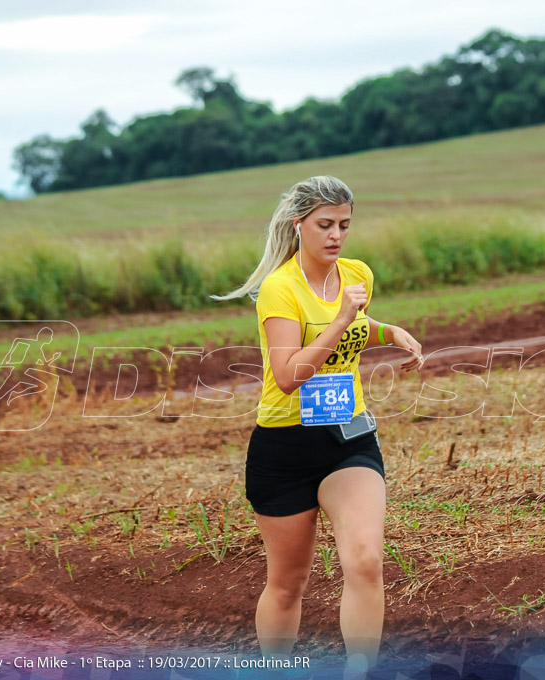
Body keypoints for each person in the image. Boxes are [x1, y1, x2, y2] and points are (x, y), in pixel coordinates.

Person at [212, 175, 424, 677]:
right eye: (324, 224)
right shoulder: (279, 290)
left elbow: (355, 328)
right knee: (288, 583)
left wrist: (391, 331)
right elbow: (287, 376)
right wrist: (341, 318)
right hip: (284, 449)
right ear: (298, 224)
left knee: (366, 559)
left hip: (347, 439)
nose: (335, 235)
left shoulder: (357, 275)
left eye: (345, 225)